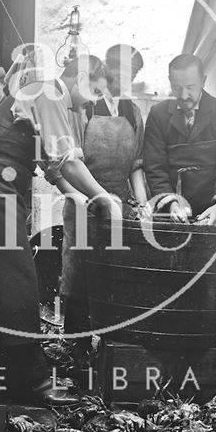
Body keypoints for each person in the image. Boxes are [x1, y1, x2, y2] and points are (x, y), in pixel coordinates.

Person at [0, 55, 122, 406]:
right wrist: (105, 195)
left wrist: (77, 196)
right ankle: (28, 382)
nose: (92, 100)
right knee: (17, 276)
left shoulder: (47, 99)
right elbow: (69, 162)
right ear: (77, 76)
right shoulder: (50, 93)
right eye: (93, 90)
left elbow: (52, 166)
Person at [49, 44, 148, 351]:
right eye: (119, 71)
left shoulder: (133, 111)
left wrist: (142, 205)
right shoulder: (85, 104)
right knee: (79, 275)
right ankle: (75, 349)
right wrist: (81, 196)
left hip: (118, 205)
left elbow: (136, 166)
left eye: (131, 74)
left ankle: (110, 349)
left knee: (115, 276)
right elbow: (66, 162)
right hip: (83, 201)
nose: (124, 79)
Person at [143, 54, 216, 225]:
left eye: (190, 87)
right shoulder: (158, 115)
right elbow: (154, 168)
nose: (183, 95)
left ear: (203, 81)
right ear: (170, 81)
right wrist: (171, 203)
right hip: (172, 214)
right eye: (176, 87)